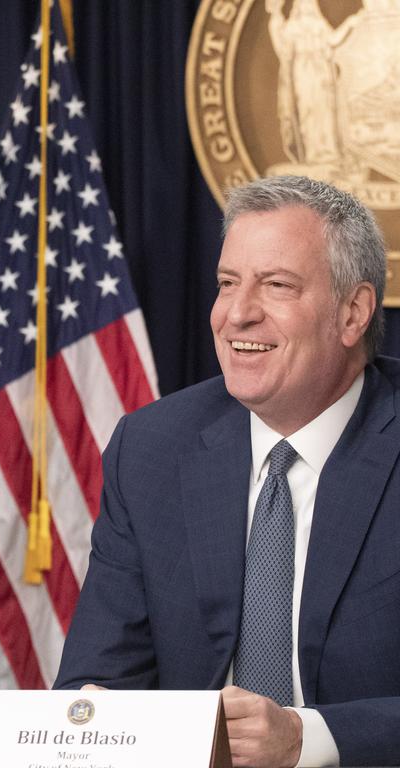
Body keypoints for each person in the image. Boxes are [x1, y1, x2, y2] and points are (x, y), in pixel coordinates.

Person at [54, 175, 400, 767]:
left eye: (277, 286)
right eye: (227, 284)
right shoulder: (153, 448)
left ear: (353, 313)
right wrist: (100, 723)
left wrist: (304, 739)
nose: (237, 314)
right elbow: (98, 680)